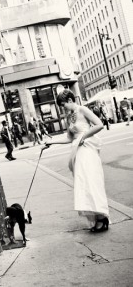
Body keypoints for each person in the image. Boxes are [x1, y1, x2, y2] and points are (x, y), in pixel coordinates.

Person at [45, 90, 109, 233]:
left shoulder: (83, 110)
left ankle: (101, 217)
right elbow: (69, 138)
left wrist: (83, 137)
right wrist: (52, 142)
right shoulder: (69, 117)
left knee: (92, 182)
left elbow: (99, 124)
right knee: (83, 184)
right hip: (77, 153)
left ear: (69, 100)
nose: (63, 108)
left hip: (87, 150)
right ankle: (95, 216)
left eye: (63, 105)